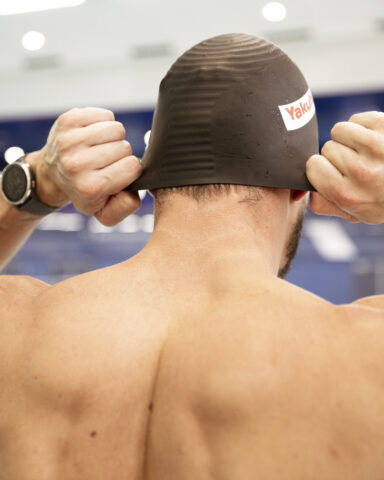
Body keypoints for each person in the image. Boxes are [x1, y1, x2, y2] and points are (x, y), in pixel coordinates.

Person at [1, 49, 384, 480]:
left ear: (151, 180)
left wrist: (36, 181)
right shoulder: (368, 353)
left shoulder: (15, 329)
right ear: (302, 189)